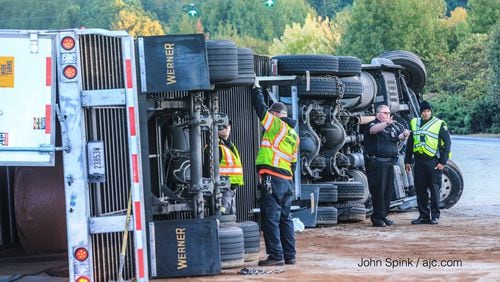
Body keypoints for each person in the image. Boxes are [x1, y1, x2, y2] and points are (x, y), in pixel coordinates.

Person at [251, 79, 299, 266]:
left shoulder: (277, 125)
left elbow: (260, 109)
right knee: (285, 218)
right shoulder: (293, 135)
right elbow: (293, 162)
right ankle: (290, 255)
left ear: (276, 115)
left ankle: (276, 256)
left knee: (270, 218)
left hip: (272, 177)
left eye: (272, 114)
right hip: (286, 179)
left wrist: (256, 89)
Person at [405, 101, 451, 225]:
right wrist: (407, 160)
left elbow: (447, 143)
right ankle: (423, 216)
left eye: (428, 111)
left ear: (431, 112)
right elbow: (410, 143)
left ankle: (435, 216)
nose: (426, 113)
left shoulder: (439, 124)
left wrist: (443, 162)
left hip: (433, 161)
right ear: (420, 112)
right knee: (420, 190)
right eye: (424, 111)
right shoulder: (414, 123)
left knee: (434, 189)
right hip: (419, 161)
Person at [364, 105, 410, 227]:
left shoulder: (391, 127)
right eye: (385, 113)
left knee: (387, 191)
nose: (388, 115)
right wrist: (386, 123)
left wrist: (404, 134)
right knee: (378, 191)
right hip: (377, 163)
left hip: (390, 162)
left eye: (389, 113)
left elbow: (396, 138)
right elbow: (373, 130)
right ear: (378, 114)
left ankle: (383, 216)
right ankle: (377, 218)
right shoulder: (373, 124)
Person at [217, 119, 244, 215]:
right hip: (223, 188)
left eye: (228, 126)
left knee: (231, 215)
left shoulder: (230, 144)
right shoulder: (215, 146)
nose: (226, 128)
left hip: (231, 187)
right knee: (223, 214)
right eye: (223, 126)